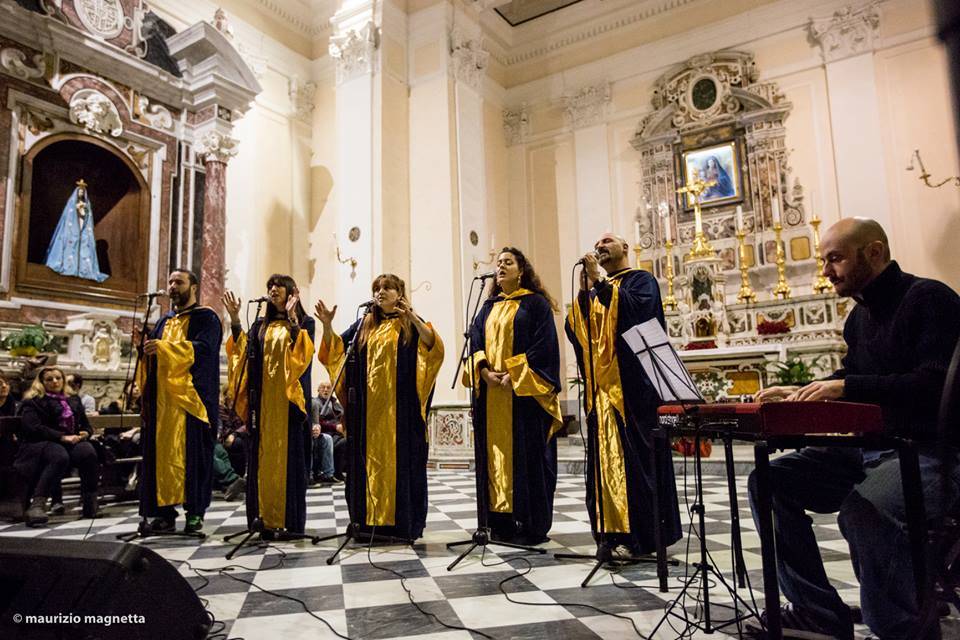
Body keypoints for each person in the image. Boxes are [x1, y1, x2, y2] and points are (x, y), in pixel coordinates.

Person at [746, 218, 960, 640]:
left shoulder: (929, 298)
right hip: (873, 448)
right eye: (825, 260)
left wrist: (844, 386)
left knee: (864, 510)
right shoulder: (859, 318)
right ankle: (818, 611)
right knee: (768, 481)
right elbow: (855, 380)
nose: (825, 271)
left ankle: (901, 629)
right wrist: (802, 390)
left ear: (875, 252)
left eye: (835, 259)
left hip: (931, 452)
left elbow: (935, 385)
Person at [565, 233, 682, 555]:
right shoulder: (598, 287)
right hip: (603, 391)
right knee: (604, 465)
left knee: (638, 462)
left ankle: (645, 536)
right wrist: (583, 293)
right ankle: (610, 534)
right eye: (597, 242)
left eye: (607, 241)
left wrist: (601, 283)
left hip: (634, 390)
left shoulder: (641, 281)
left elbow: (639, 315)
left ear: (625, 248)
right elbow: (576, 328)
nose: (600, 246)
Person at [315, 274, 444, 541]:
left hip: (402, 415)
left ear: (400, 293)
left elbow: (433, 347)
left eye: (387, 288)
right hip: (367, 416)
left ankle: (403, 524)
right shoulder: (365, 323)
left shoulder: (409, 325)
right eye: (377, 288)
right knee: (364, 466)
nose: (381, 292)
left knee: (403, 466)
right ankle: (367, 522)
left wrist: (412, 317)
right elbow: (336, 350)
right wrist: (327, 326)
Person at [464, 247, 563, 545]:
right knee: (492, 460)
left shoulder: (535, 304)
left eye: (508, 262)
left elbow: (544, 345)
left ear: (522, 270)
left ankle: (528, 524)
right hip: (492, 395)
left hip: (523, 398)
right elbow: (475, 340)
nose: (501, 266)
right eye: (499, 263)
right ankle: (497, 522)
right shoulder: (488, 306)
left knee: (526, 457)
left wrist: (512, 372)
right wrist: (483, 372)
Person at [224, 274, 314, 534]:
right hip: (261, 407)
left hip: (288, 408)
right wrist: (236, 320)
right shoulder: (259, 326)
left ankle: (290, 523)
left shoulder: (305, 322)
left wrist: (293, 319)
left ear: (291, 293)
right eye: (270, 286)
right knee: (260, 464)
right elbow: (242, 354)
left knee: (290, 465)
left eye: (278, 286)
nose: (273, 289)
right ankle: (261, 519)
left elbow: (303, 355)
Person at [138, 269, 221, 534]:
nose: (173, 286)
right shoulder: (163, 321)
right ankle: (163, 513)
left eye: (179, 282)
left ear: (193, 287)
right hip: (163, 403)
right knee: (160, 459)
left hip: (191, 400)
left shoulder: (206, 318)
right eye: (170, 281)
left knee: (194, 459)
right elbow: (155, 355)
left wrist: (163, 348)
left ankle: (195, 515)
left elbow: (205, 349)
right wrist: (146, 351)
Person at [14, 366, 100, 526]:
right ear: (41, 382)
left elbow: (86, 425)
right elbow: (33, 428)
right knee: (59, 455)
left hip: (68, 442)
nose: (55, 382)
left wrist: (85, 433)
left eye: (58, 378)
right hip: (39, 443)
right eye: (49, 379)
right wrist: (62, 436)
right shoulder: (33, 402)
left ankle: (90, 501)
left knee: (88, 451)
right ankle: (37, 506)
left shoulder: (73, 399)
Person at [311, 381, 345, 482]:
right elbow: (317, 422)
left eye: (328, 388)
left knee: (349, 441)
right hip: (326, 433)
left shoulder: (335, 403)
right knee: (342, 443)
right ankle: (334, 473)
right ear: (318, 390)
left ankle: (340, 472)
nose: (326, 390)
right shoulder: (315, 403)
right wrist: (335, 427)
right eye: (323, 387)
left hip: (337, 433)